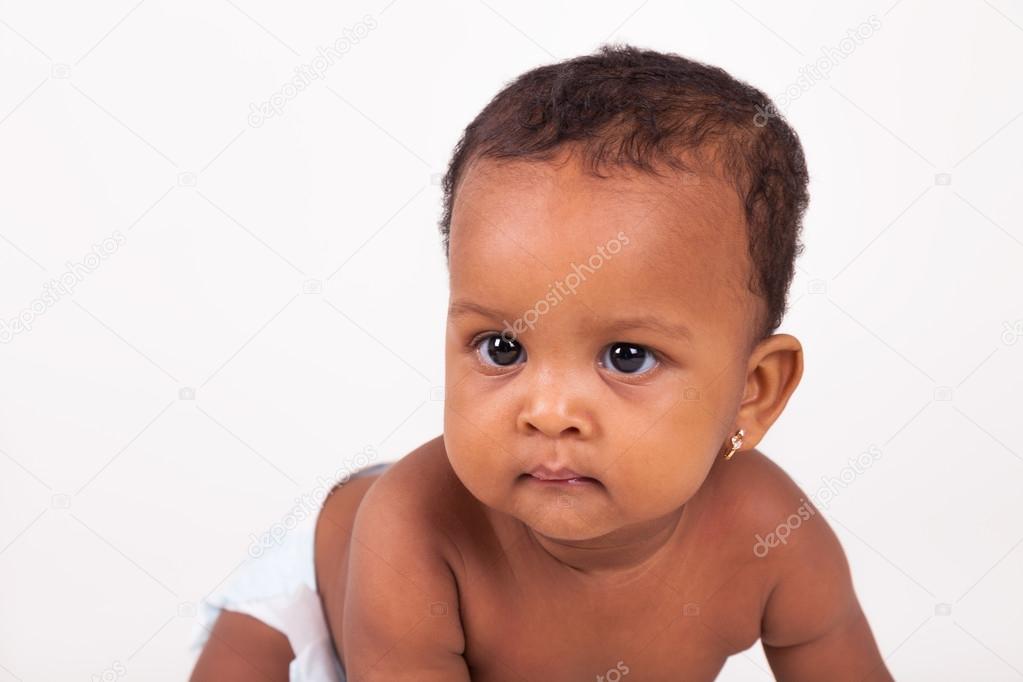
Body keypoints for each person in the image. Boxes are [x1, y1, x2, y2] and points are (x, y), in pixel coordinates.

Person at [191, 43, 891, 681]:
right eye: (503, 348)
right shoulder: (412, 527)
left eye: (626, 357)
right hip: (322, 607)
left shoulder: (772, 535)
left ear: (753, 391)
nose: (548, 410)